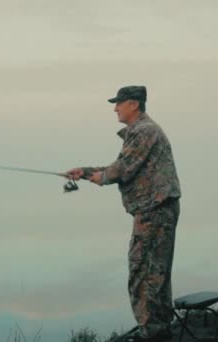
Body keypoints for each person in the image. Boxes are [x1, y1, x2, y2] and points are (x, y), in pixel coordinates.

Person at [66, 85, 181, 341]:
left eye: (119, 103)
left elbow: (123, 167)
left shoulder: (145, 130)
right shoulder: (140, 131)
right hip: (156, 208)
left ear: (134, 104)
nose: (115, 108)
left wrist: (102, 178)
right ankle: (158, 328)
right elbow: (122, 165)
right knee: (155, 269)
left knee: (143, 270)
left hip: (155, 209)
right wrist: (85, 172)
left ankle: (152, 331)